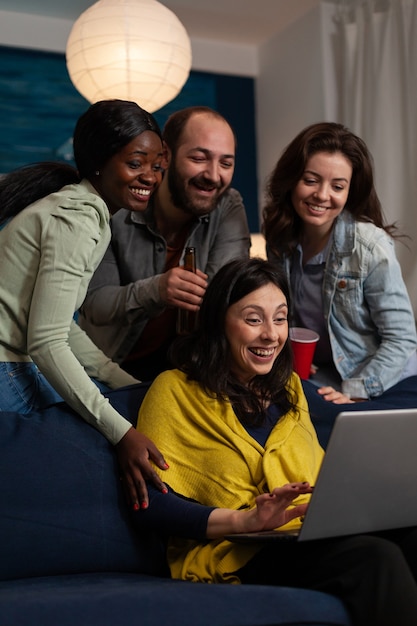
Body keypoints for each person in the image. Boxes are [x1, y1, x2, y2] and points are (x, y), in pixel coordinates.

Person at [132, 257, 417, 626]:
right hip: (241, 548)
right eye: (254, 319)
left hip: (304, 534)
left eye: (280, 318)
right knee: (374, 558)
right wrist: (245, 520)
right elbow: (150, 502)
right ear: (220, 321)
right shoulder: (172, 391)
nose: (271, 334)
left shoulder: (292, 389)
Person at [0, 99, 169, 509]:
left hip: (15, 363)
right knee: (116, 438)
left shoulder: (81, 209)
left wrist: (119, 377)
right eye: (135, 163)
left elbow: (61, 326)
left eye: (158, 165)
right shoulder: (77, 219)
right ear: (99, 163)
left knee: (126, 403)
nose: (149, 176)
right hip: (7, 369)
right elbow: (46, 342)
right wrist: (123, 434)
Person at [78, 105, 251, 381]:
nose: (213, 175)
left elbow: (227, 294)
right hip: (107, 369)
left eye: (226, 163)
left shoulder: (228, 206)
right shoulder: (117, 205)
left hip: (188, 372)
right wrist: (157, 289)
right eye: (199, 158)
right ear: (166, 156)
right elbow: (95, 304)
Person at [262, 121, 417, 408]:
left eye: (337, 186)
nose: (322, 195)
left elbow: (401, 340)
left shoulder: (370, 245)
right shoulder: (280, 239)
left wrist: (356, 390)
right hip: (324, 377)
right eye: (310, 180)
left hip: (381, 380)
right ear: (292, 179)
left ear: (349, 192)